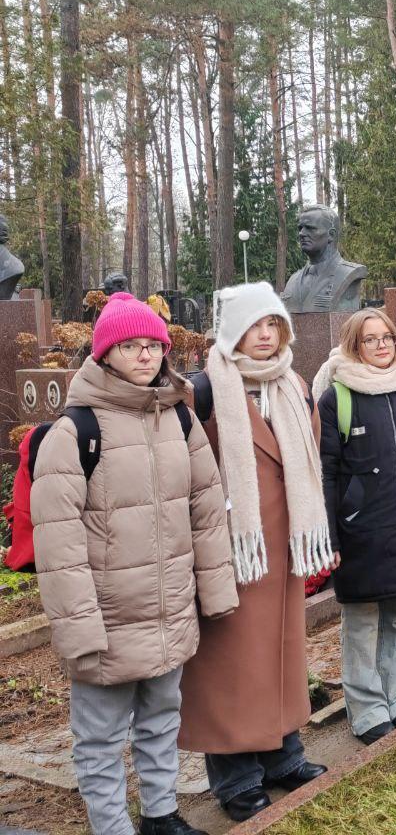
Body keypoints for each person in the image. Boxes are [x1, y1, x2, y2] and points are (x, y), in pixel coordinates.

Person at [31, 292, 238, 835]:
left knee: (161, 720)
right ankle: (111, 826)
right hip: (108, 618)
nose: (146, 356)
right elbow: (59, 545)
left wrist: (214, 594)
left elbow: (207, 509)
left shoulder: (180, 419)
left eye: (153, 345)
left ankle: (161, 813)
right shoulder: (75, 432)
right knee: (100, 737)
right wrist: (79, 628)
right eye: (131, 345)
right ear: (105, 354)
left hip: (169, 606)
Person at [177, 283, 334, 822]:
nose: (266, 336)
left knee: (281, 651)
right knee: (229, 665)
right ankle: (235, 776)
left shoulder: (293, 384)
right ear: (233, 330)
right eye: (255, 325)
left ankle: (281, 755)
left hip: (284, 547)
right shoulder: (204, 390)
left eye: (274, 325)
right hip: (234, 549)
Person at [314, 309, 396, 745]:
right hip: (361, 527)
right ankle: (367, 705)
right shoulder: (337, 397)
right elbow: (327, 473)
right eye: (370, 340)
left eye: (387, 338)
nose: (381, 346)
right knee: (361, 619)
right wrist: (330, 537)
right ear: (355, 345)